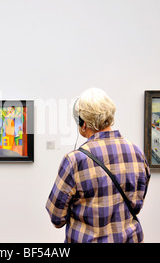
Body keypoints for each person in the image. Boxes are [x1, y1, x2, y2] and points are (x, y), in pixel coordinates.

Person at [45, 88, 151, 243]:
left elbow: (56, 217)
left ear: (83, 123)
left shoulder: (75, 160)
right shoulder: (137, 153)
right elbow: (137, 203)